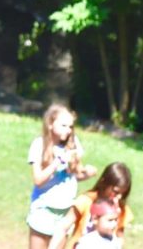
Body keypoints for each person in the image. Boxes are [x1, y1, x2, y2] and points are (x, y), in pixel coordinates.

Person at [28, 104, 98, 249]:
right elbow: (38, 180)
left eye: (71, 126)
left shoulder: (73, 145)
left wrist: (87, 173)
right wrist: (57, 162)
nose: (68, 130)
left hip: (65, 213)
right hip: (43, 210)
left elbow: (75, 176)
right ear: (50, 124)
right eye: (64, 125)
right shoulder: (39, 145)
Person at [49, 162, 133, 249]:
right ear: (104, 182)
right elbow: (62, 228)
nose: (119, 197)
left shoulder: (121, 209)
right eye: (116, 191)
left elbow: (120, 237)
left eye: (123, 193)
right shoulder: (85, 201)